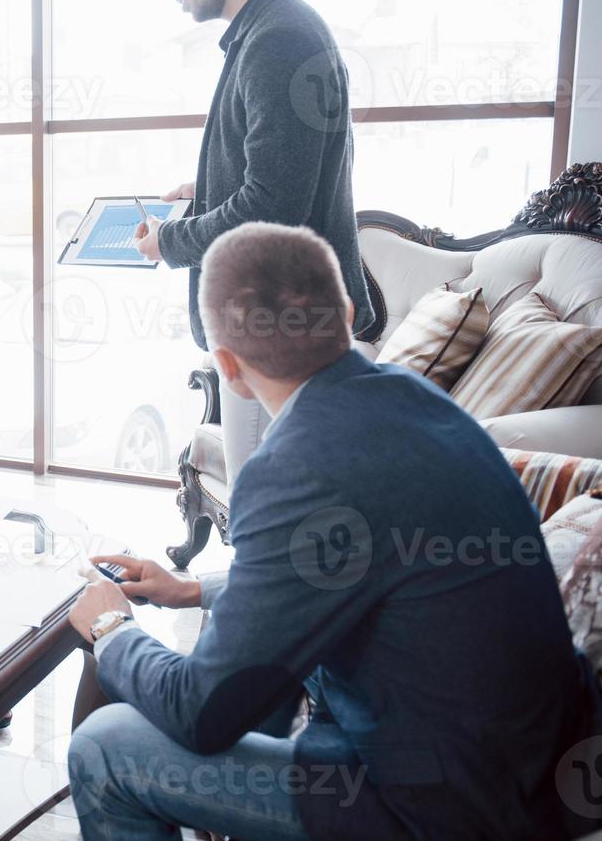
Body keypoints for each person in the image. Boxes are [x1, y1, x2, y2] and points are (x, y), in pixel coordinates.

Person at [67, 222, 597, 840]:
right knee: (254, 654)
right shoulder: (417, 400)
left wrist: (112, 630)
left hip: (445, 808)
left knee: (104, 746)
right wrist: (193, 588)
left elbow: (198, 714)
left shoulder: (290, 468)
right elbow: (345, 563)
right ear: (346, 311)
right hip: (542, 764)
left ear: (228, 368)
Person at [132, 0, 375, 482]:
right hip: (279, 331)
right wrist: (207, 191)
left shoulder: (279, 40)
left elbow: (270, 211)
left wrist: (170, 241)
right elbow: (286, 173)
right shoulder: (274, 31)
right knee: (273, 523)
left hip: (283, 336)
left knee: (271, 524)